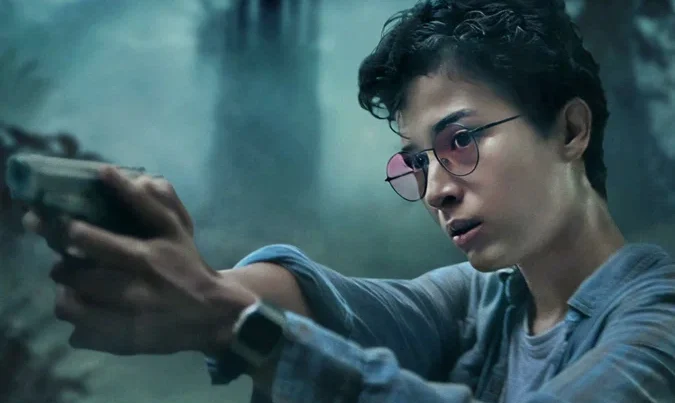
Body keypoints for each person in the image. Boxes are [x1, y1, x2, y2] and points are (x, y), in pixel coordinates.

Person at [22, 0, 675, 402]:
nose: (435, 190)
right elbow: (334, 302)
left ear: (569, 130)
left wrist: (224, 318)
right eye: (417, 162)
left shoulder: (659, 322)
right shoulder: (483, 302)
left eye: (460, 140)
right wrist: (185, 283)